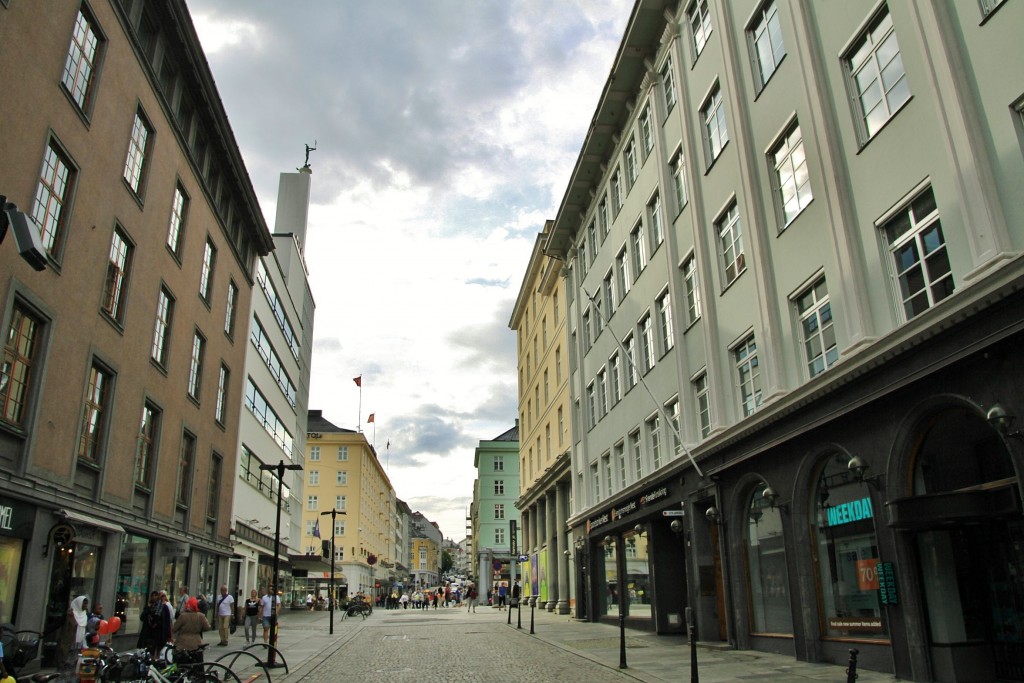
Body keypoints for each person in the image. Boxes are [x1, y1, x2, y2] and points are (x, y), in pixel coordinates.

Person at [172, 597, 210, 666]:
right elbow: (207, 627)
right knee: (197, 665)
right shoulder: (201, 616)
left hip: (182, 644)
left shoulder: (183, 616)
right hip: (196, 643)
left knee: (182, 665)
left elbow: (174, 628)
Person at [57, 595, 88, 679]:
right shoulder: (70, 614)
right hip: (68, 643)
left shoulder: (84, 615)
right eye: (84, 604)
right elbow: (57, 624)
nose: (85, 606)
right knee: (65, 665)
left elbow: (85, 629)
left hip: (79, 645)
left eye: (86, 604)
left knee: (75, 667)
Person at [137, 591, 170, 657]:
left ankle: (156, 663)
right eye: (153, 595)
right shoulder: (149, 607)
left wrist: (168, 635)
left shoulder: (163, 607)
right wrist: (148, 608)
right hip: (149, 634)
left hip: (159, 634)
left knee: (157, 652)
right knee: (149, 652)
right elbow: (142, 618)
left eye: (156, 595)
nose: (154, 597)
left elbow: (167, 621)